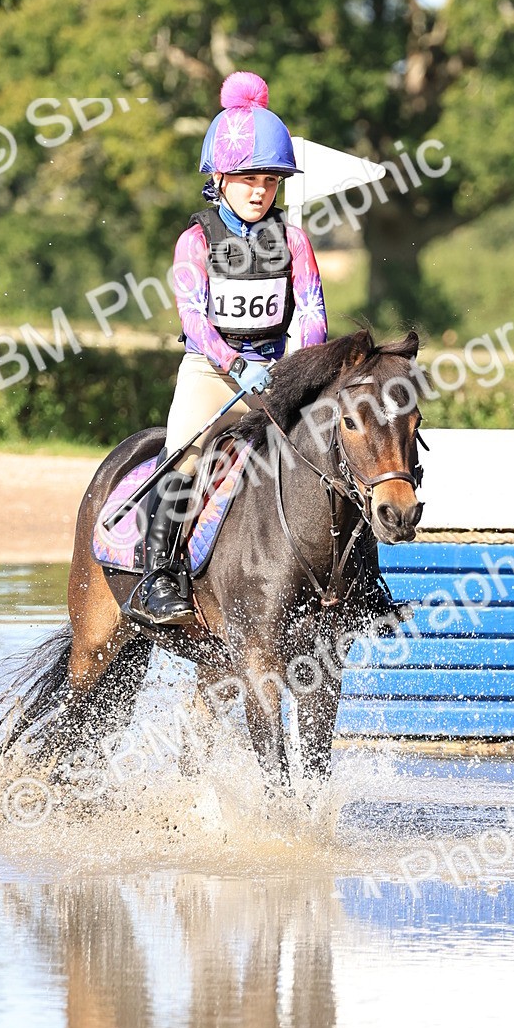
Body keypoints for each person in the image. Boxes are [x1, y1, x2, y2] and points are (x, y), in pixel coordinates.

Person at [138, 71, 328, 624]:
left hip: (279, 370)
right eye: (247, 179)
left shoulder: (294, 240)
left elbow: (312, 310)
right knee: (184, 454)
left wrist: (294, 367)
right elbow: (194, 321)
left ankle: (359, 576)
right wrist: (235, 364)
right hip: (213, 372)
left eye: (270, 181)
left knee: (334, 450)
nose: (259, 191)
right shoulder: (195, 241)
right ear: (219, 178)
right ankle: (161, 577)